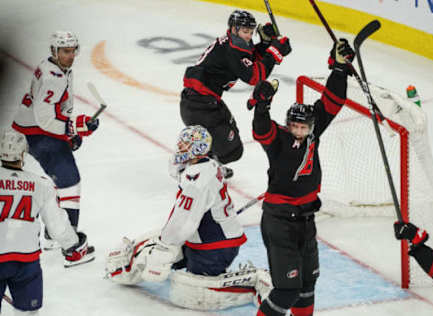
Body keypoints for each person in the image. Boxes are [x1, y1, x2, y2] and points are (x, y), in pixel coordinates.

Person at [105, 125, 271, 310]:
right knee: (148, 248)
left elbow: (185, 220)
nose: (180, 148)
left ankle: (253, 281)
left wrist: (165, 244)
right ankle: (126, 267)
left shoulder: (197, 180)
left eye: (185, 145)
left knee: (188, 292)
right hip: (203, 240)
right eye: (181, 143)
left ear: (197, 149)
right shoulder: (203, 165)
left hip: (215, 248)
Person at [249, 39, 355, 316]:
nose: (298, 130)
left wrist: (340, 69)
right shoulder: (279, 140)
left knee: (307, 285)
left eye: (303, 126)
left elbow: (333, 101)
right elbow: (261, 131)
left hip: (305, 221)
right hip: (279, 221)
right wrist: (262, 105)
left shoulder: (313, 133)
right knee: (287, 290)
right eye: (294, 125)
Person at [11, 31, 99, 251]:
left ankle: (54, 232)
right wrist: (77, 126)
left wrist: (70, 134)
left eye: (72, 51)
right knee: (69, 181)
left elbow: (57, 110)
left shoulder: (57, 68)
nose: (70, 55)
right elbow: (46, 120)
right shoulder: (53, 78)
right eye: (65, 51)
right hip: (37, 134)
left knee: (60, 182)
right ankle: (68, 242)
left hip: (31, 131)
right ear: (54, 51)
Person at [180, 9, 292, 177]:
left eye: (251, 32)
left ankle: (207, 166)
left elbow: (249, 59)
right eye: (245, 31)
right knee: (232, 151)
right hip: (201, 106)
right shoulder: (232, 49)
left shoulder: (233, 43)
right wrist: (274, 52)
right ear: (234, 29)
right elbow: (255, 76)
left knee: (223, 138)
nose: (249, 36)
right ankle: (196, 168)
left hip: (200, 102)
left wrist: (266, 43)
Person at [0, 130, 93, 315]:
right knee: (27, 313)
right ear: (23, 154)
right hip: (26, 262)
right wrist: (73, 246)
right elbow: (57, 227)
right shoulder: (40, 184)